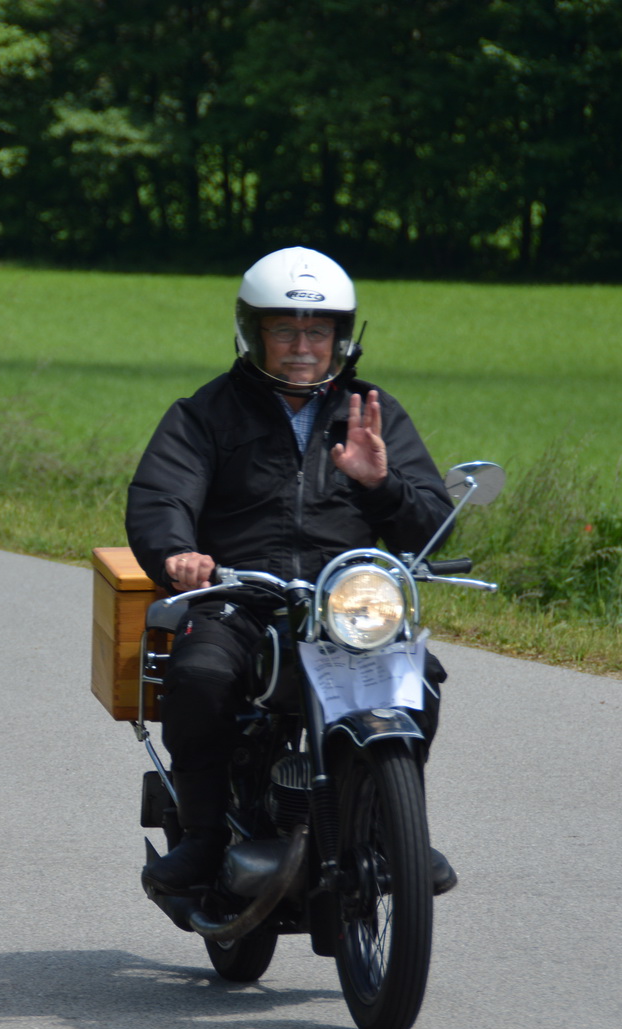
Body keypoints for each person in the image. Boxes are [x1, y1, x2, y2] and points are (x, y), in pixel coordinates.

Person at [125, 246, 458, 895]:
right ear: (255, 332)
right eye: (285, 330)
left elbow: (431, 524)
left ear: (340, 336)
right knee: (200, 675)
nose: (302, 345)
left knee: (423, 681)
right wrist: (177, 555)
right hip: (242, 594)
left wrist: (382, 484)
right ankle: (203, 837)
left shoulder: (370, 411)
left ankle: (399, 831)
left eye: (317, 330)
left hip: (345, 602)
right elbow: (163, 495)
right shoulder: (206, 412)